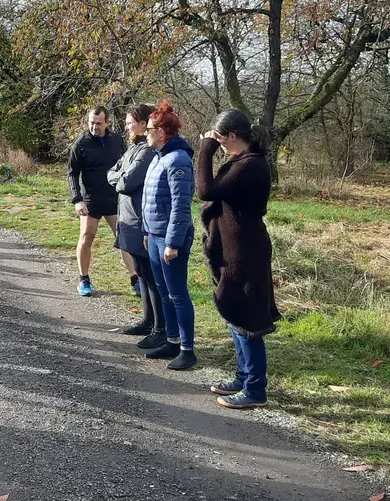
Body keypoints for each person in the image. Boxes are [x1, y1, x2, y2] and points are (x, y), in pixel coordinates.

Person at [199, 110, 280, 409]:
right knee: (235, 312)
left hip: (246, 252)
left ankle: (256, 389)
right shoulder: (241, 161)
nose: (218, 143)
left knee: (248, 319)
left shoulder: (251, 165)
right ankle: (244, 376)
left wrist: (205, 149)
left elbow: (205, 190)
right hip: (234, 251)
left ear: (232, 136)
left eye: (220, 138)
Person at [140, 100, 197, 371]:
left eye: (149, 130)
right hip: (154, 235)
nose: (145, 134)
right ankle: (172, 341)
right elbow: (150, 198)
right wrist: (146, 231)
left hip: (170, 239)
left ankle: (187, 349)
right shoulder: (158, 157)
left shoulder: (178, 160)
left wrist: (172, 243)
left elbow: (180, 206)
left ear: (162, 132)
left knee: (178, 294)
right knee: (164, 292)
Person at [107, 104, 166, 349]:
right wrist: (118, 177)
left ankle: (159, 328)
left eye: (130, 122)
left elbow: (127, 182)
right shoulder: (133, 148)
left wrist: (118, 178)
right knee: (141, 272)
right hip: (129, 219)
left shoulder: (146, 151)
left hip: (140, 221)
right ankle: (147, 321)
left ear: (143, 124)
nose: (127, 126)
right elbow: (112, 172)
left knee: (151, 276)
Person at [67, 106, 133, 297]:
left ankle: (135, 278)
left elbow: (127, 166)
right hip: (91, 200)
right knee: (87, 236)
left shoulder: (117, 141)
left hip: (114, 199)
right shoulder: (81, 143)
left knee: (125, 239)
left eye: (98, 123)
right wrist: (77, 200)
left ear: (107, 123)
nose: (95, 127)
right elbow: (72, 173)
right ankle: (84, 280)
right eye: (91, 123)